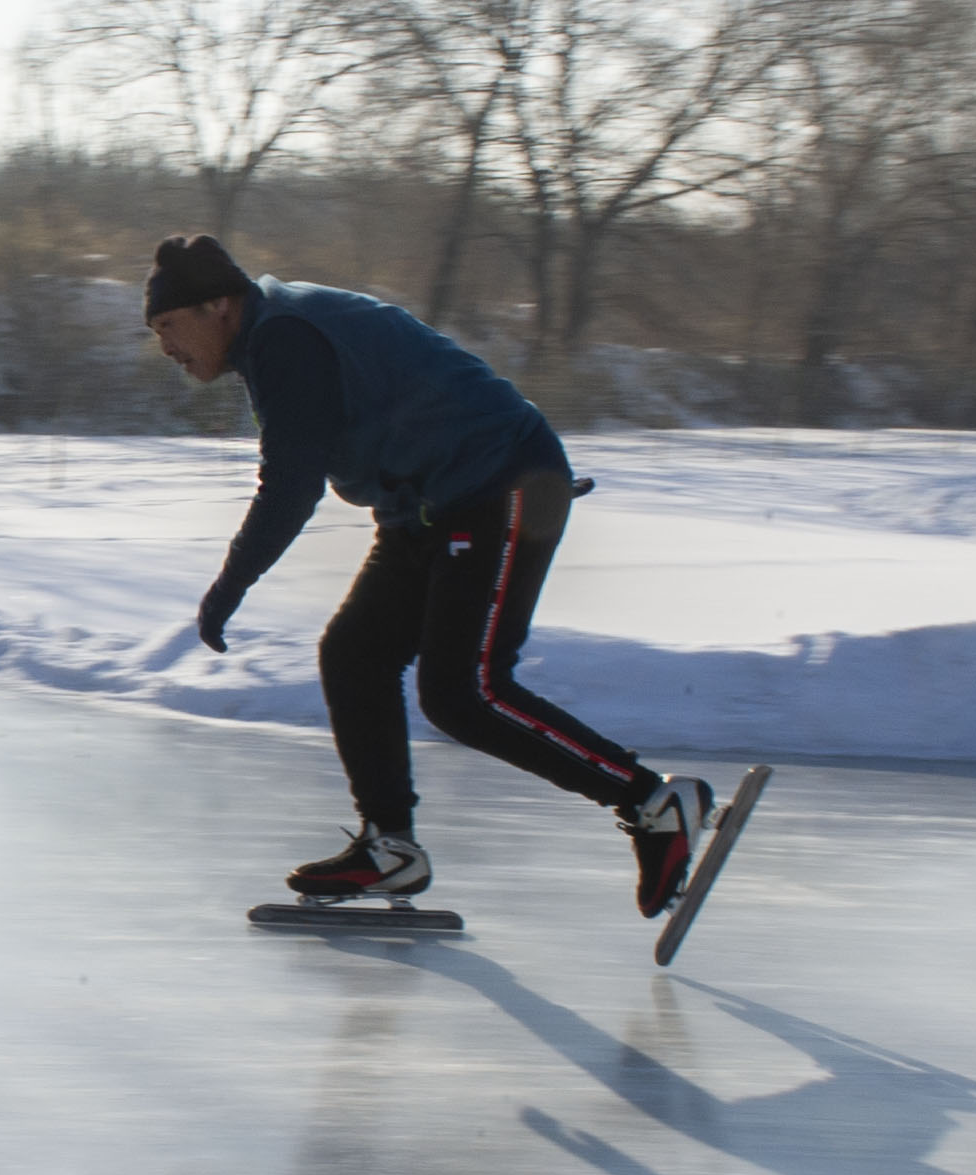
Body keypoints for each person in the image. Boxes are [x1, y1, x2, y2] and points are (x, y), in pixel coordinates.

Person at [140, 232, 715, 916]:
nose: (167, 348)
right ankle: (391, 849)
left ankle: (654, 802)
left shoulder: (283, 338)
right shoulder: (275, 329)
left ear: (217, 306)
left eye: (170, 326)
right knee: (354, 655)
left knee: (464, 691)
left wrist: (230, 585)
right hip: (429, 506)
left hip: (502, 486)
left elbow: (292, 485)